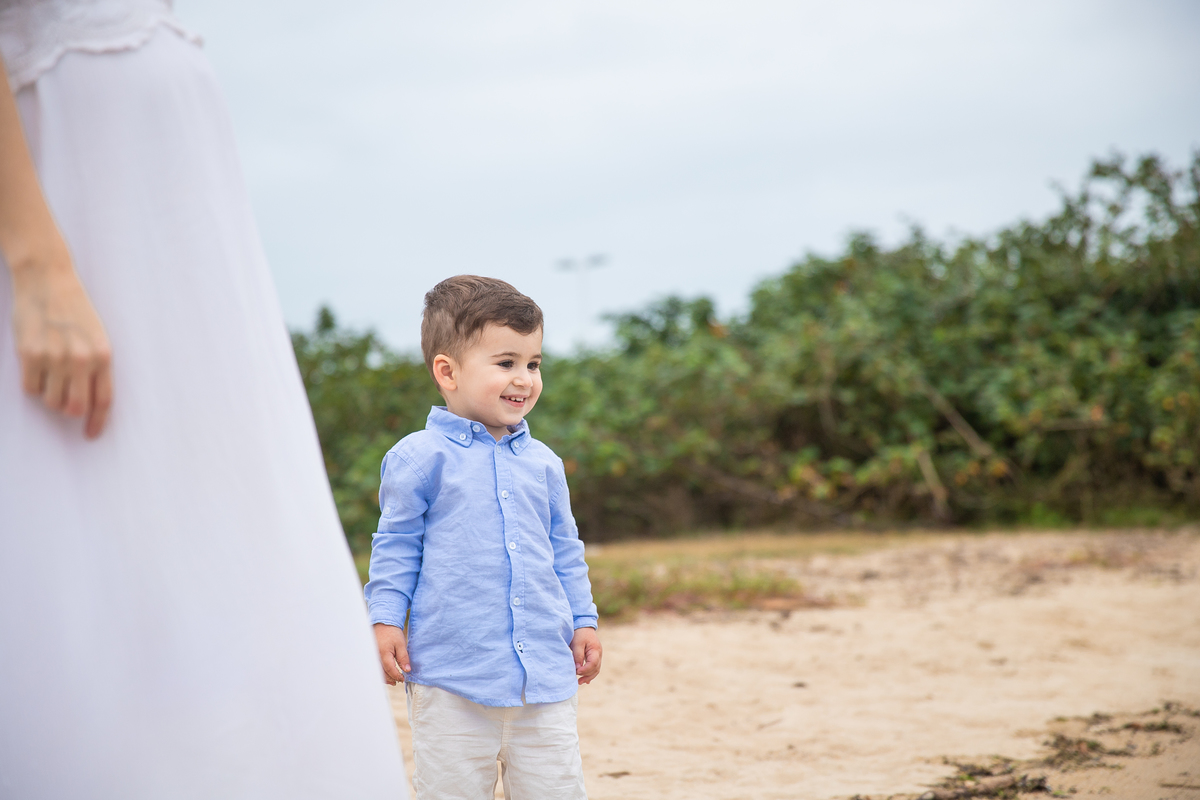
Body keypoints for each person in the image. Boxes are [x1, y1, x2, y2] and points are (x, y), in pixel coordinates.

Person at [0, 2, 407, 797]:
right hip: (69, 175)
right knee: (83, 509)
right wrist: (38, 264)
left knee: (218, 517)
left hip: (174, 178)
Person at [367, 275, 602, 800]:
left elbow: (565, 550)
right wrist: (385, 619)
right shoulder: (419, 458)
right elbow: (397, 546)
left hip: (542, 674)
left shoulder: (544, 464)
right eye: (506, 363)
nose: (524, 379)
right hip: (451, 676)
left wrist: (584, 620)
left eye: (533, 363)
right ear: (447, 371)